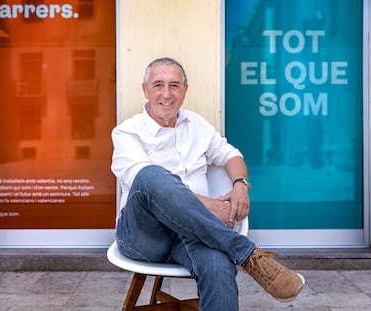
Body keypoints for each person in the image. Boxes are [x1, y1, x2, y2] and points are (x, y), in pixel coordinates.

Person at [111, 57, 305, 310]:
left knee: (219, 266)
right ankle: (247, 254)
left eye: (174, 85)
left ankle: (237, 254)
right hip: (146, 236)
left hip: (196, 234)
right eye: (158, 85)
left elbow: (231, 155)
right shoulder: (127, 132)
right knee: (151, 175)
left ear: (185, 90)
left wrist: (240, 185)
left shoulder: (197, 125)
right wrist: (210, 208)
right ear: (145, 90)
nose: (166, 94)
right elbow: (143, 181)